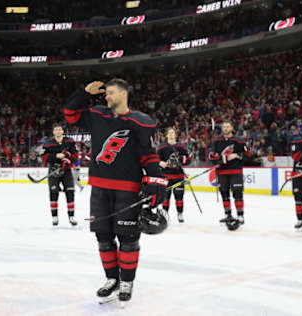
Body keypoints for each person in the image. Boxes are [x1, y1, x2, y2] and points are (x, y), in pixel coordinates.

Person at [64, 79, 168, 304]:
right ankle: (112, 278)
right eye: (106, 94)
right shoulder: (97, 115)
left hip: (127, 190)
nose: (106, 97)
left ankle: (126, 281)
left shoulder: (140, 121)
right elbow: (70, 114)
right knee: (103, 237)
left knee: (128, 238)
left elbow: (148, 154)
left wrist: (156, 179)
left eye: (110, 93)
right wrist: (83, 92)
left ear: (124, 93)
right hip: (99, 189)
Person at [209, 120, 251, 225]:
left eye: (228, 126)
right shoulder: (217, 141)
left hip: (236, 171)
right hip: (222, 172)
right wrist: (225, 158)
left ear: (232, 128)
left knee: (237, 193)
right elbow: (212, 156)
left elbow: (248, 155)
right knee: (224, 193)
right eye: (224, 127)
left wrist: (238, 155)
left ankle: (240, 215)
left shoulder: (240, 141)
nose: (226, 129)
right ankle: (227, 214)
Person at [41, 123, 79, 226]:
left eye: (59, 129)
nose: (58, 131)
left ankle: (71, 216)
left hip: (66, 171)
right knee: (53, 193)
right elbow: (44, 158)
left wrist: (68, 160)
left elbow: (76, 156)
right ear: (53, 132)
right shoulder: (48, 143)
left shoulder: (70, 142)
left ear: (62, 131)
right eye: (56, 130)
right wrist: (56, 156)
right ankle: (54, 217)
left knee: (70, 193)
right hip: (53, 171)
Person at [157, 127, 191, 223]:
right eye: (170, 133)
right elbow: (155, 159)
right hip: (166, 177)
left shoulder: (182, 146)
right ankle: (165, 215)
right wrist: (160, 163)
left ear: (175, 135)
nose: (171, 135)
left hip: (178, 177)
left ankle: (180, 214)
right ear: (167, 135)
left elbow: (188, 159)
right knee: (165, 198)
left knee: (179, 196)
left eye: (173, 133)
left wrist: (181, 159)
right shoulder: (161, 147)